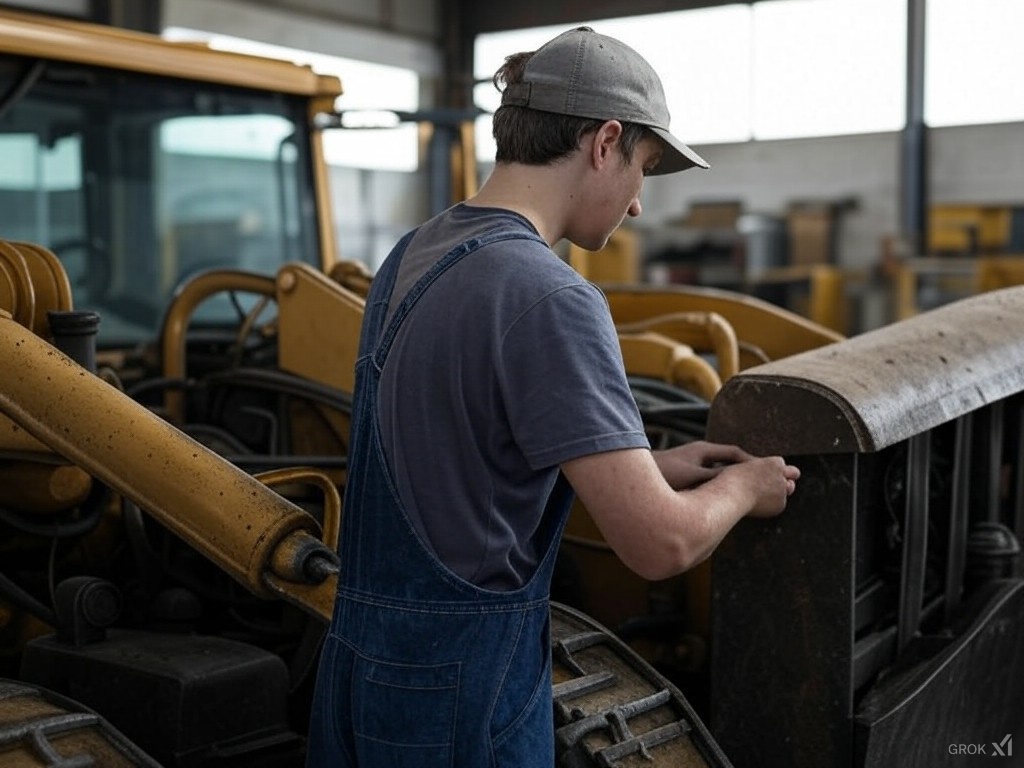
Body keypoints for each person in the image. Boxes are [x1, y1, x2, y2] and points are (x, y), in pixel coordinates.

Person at [305, 25, 799, 767]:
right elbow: (659, 544)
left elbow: (461, 458)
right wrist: (744, 486)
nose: (637, 205)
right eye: (646, 166)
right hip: (462, 696)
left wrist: (647, 465)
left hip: (355, 671)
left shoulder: (413, 253)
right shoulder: (551, 296)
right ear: (605, 142)